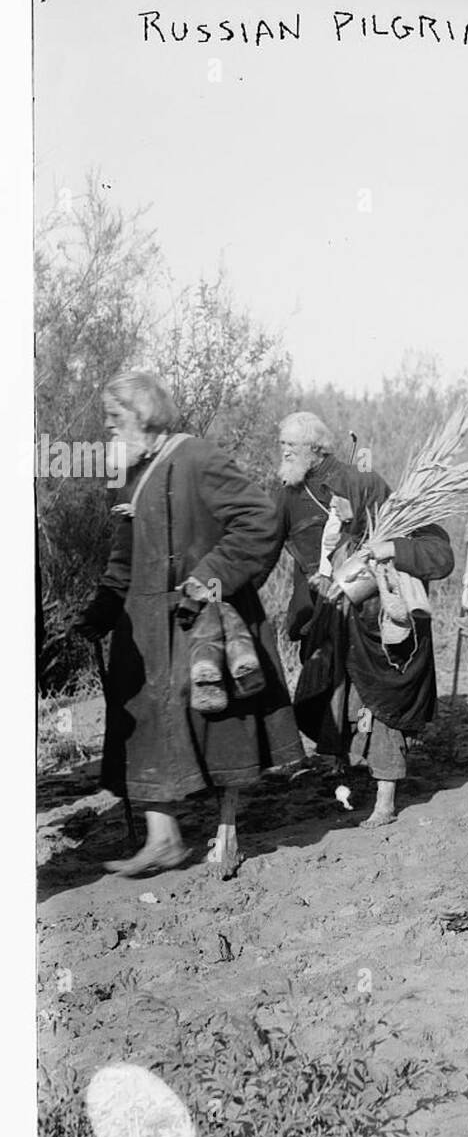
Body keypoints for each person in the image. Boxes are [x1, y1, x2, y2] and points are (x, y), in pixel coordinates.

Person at [72, 371, 302, 877]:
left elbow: (259, 520)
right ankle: (164, 840)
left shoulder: (200, 458)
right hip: (148, 628)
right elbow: (124, 554)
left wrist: (209, 576)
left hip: (203, 622)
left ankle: (227, 833)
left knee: (219, 723)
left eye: (116, 419)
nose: (109, 430)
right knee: (147, 723)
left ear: (144, 416)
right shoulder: (134, 472)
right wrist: (103, 612)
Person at [291, 499, 454, 828]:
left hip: (390, 649)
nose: (337, 507)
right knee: (348, 710)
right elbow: (330, 575)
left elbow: (441, 558)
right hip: (350, 640)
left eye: (343, 500)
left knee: (386, 716)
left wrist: (393, 548)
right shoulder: (345, 534)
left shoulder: (412, 527)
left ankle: (385, 802)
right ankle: (350, 769)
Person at [272, 412, 391, 643]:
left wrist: (351, 529)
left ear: (316, 448)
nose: (285, 451)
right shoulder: (288, 495)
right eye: (283, 443)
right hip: (314, 614)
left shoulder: (362, 480)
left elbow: (391, 533)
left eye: (293, 445)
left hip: (365, 606)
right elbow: (263, 548)